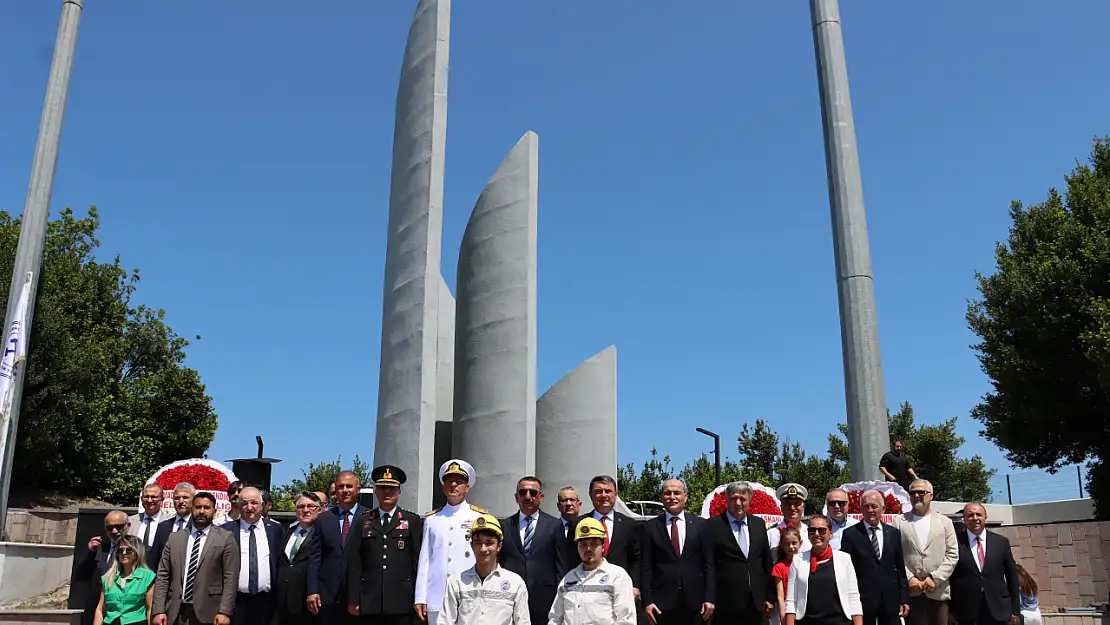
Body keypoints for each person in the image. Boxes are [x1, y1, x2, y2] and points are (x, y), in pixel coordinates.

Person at [347, 465, 423, 625]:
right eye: (382, 488)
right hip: (369, 600)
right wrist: (353, 598)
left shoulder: (412, 521)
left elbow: (418, 563)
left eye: (391, 488)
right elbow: (355, 562)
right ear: (375, 491)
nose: (386, 492)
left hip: (402, 600)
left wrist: (419, 597)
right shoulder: (363, 521)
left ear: (399, 492)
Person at [415, 459, 485, 624]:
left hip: (469, 594)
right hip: (437, 596)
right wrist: (420, 596)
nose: (453, 485)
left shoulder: (478, 518)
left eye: (459, 482)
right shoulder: (432, 519)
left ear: (467, 487)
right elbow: (425, 560)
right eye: (449, 481)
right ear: (443, 486)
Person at [152, 492, 239, 625]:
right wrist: (158, 610)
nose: (202, 511)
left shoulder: (226, 538)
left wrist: (225, 612)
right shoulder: (175, 538)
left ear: (214, 511)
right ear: (192, 509)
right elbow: (163, 575)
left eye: (207, 507)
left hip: (210, 613)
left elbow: (230, 578)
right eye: (198, 507)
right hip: (176, 611)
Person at [641, 479, 715, 625]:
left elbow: (709, 564)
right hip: (661, 604)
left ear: (685, 497)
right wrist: (647, 601)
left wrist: (710, 598)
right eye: (667, 493)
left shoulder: (701, 525)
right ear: (662, 498)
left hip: (696, 603)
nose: (672, 497)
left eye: (677, 493)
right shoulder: (650, 527)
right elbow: (646, 567)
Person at [703, 481, 775, 625]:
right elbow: (708, 565)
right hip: (726, 604)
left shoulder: (758, 524)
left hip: (756, 604)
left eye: (742, 499)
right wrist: (709, 598)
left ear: (749, 500)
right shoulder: (712, 525)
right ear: (726, 500)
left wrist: (769, 596)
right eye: (733, 498)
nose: (738, 503)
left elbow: (766, 563)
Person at [437, 514, 529, 625]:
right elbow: (445, 621)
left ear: (499, 546)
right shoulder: (457, 582)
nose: (483, 549)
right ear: (471, 546)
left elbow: (523, 621)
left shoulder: (515, 583)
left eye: (489, 543)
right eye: (478, 543)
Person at [499, 476, 566, 625]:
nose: (528, 496)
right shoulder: (504, 525)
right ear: (516, 497)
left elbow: (561, 564)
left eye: (533, 492)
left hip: (545, 598)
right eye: (522, 492)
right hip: (509, 595)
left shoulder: (555, 525)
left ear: (541, 497)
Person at [549, 517, 636, 625]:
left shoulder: (617, 576)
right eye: (583, 544)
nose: (588, 549)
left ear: (603, 546)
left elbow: (626, 620)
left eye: (594, 543)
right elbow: (555, 618)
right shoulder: (568, 578)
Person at [839, 491, 909, 625]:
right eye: (867, 506)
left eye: (874, 506)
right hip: (863, 600)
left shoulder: (893, 533)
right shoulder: (850, 535)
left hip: (890, 600)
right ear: (861, 509)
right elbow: (845, 570)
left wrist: (904, 598)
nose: (871, 510)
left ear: (883, 509)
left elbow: (900, 568)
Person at [566, 475, 642, 597]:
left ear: (615, 494)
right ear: (590, 494)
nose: (603, 495)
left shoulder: (630, 524)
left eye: (608, 491)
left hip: (619, 588)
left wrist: (635, 586)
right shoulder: (577, 524)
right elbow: (570, 558)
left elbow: (635, 559)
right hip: (586, 587)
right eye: (598, 491)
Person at [896, 480, 958, 625]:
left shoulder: (945, 522)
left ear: (931, 495)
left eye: (920, 492)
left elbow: (953, 554)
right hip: (912, 593)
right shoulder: (899, 521)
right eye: (912, 493)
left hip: (938, 592)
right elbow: (895, 555)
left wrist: (935, 578)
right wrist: (910, 578)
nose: (916, 495)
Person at [783, 514, 863, 625]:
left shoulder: (844, 559)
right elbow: (791, 600)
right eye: (812, 530)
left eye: (822, 530)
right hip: (807, 621)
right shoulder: (798, 560)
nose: (816, 534)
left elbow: (853, 597)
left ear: (831, 534)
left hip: (840, 622)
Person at [220, 487, 283, 625]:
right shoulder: (225, 530)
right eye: (244, 503)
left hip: (267, 602)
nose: (249, 507)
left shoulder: (275, 529)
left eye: (254, 503)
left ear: (262, 505)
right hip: (237, 602)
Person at [949, 504, 1019, 625]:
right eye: (970, 515)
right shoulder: (954, 542)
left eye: (979, 514)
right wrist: (951, 609)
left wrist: (1015, 610)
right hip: (966, 611)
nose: (975, 518)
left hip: (999, 609)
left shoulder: (1001, 542)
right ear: (964, 519)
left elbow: (1012, 577)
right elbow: (950, 577)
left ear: (985, 518)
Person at [317, 470, 364, 625]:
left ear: (358, 490)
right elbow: (315, 556)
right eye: (340, 487)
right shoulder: (324, 518)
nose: (344, 491)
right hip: (328, 596)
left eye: (349, 486)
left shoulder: (369, 518)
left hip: (358, 597)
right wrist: (312, 590)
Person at [78, 511, 133, 625]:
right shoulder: (99, 548)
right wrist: (90, 552)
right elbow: (81, 575)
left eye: (118, 527)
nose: (114, 531)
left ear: (128, 525)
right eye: (110, 528)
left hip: (119, 611)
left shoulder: (134, 551)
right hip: (94, 608)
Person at [276, 492, 322, 625]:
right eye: (301, 507)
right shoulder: (288, 531)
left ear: (319, 510)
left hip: (307, 603)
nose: (305, 510)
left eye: (310, 506)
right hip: (282, 603)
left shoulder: (322, 533)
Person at [93, 535, 155, 625]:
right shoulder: (108, 577)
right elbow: (100, 609)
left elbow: (150, 609)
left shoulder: (147, 577)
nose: (124, 553)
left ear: (137, 552)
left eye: (129, 550)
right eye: (120, 550)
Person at [151, 483, 198, 567]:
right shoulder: (162, 527)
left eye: (185, 497)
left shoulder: (199, 526)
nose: (180, 501)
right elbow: (154, 558)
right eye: (177, 498)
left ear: (194, 500)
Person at [773, 526, 803, 625]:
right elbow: (780, 596)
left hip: (804, 606)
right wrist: (783, 617)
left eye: (794, 543)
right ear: (782, 545)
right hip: (789, 609)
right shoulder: (779, 567)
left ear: (800, 543)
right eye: (787, 544)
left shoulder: (807, 563)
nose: (791, 547)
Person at [769, 484, 811, 552]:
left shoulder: (810, 533)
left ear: (803, 507)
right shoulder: (771, 534)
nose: (792, 508)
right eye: (788, 504)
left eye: (796, 503)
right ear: (781, 508)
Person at [129, 484, 167, 549]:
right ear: (141, 499)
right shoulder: (130, 521)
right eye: (146, 497)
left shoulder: (169, 522)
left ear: (162, 499)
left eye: (153, 497)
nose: (149, 500)